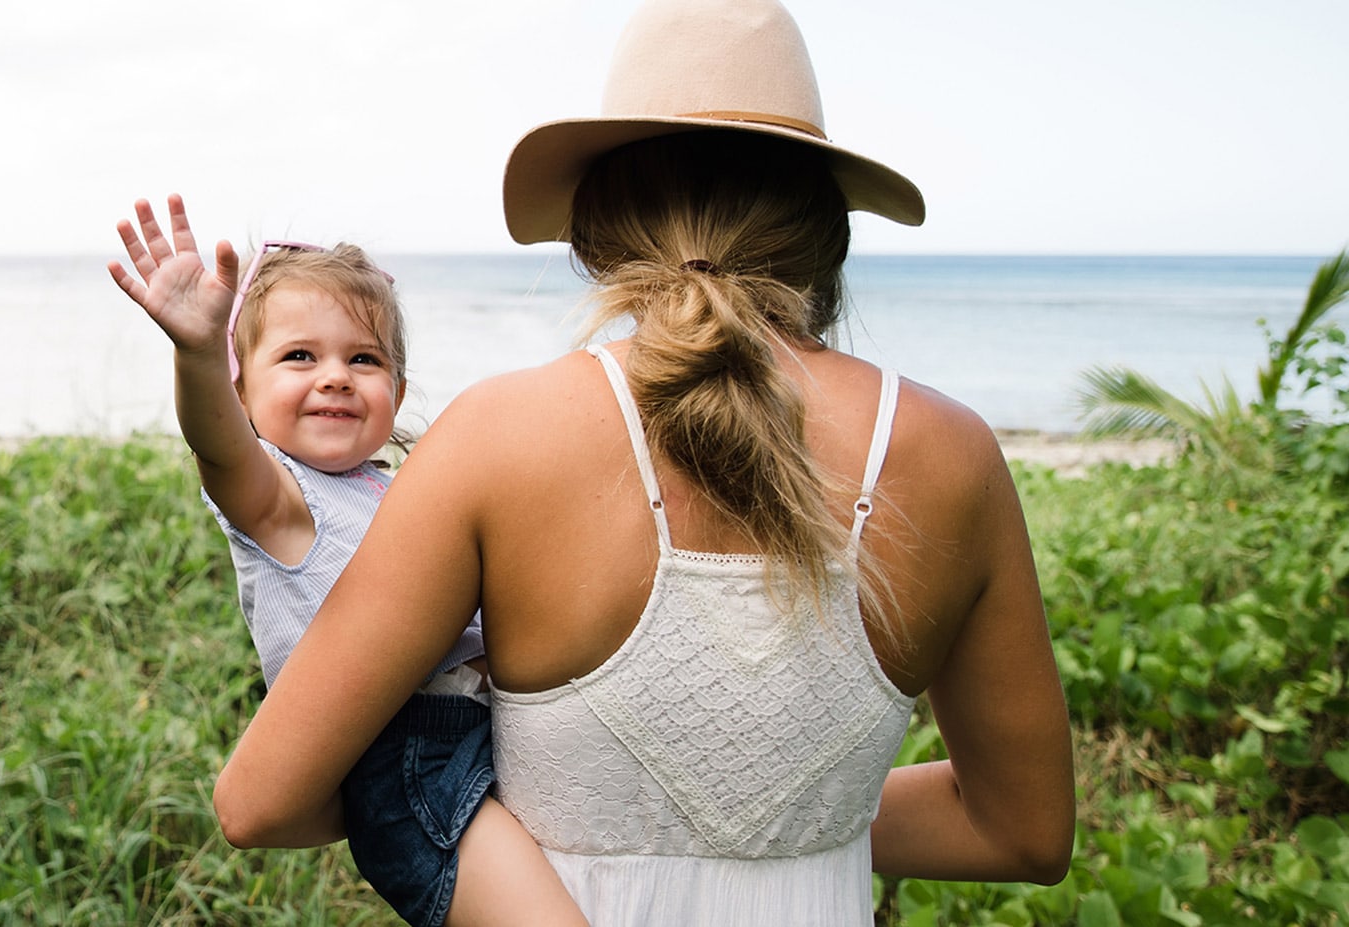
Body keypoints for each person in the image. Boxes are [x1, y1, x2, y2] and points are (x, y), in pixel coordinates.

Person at [210, 0, 1077, 923]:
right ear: (828, 232)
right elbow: (1022, 829)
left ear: (597, 226)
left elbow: (261, 801)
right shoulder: (954, 451)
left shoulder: (500, 436)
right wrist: (791, 831)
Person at [106, 196, 587, 927]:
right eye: (300, 356)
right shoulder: (279, 496)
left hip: (478, 736)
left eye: (364, 359)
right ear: (242, 391)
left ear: (395, 388)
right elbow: (217, 447)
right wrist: (199, 353)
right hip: (407, 769)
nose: (335, 376)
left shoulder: (394, 490)